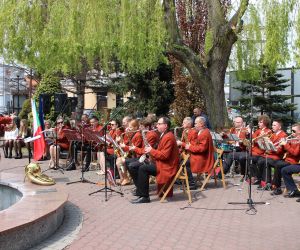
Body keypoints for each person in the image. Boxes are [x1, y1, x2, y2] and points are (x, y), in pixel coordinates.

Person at [130, 117, 179, 204]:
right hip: (162, 164)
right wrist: (152, 151)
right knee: (139, 167)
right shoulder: (165, 135)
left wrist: (151, 150)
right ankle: (141, 193)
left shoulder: (168, 137)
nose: (157, 125)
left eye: (159, 124)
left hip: (167, 167)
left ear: (165, 126)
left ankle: (145, 197)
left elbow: (164, 155)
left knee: (143, 168)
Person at [255, 120, 287, 188]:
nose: (272, 127)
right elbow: (268, 144)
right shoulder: (273, 134)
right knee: (260, 161)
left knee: (265, 161)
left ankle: (266, 182)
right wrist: (263, 140)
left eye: (274, 125)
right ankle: (264, 181)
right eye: (272, 125)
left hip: (277, 157)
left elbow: (279, 151)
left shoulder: (283, 135)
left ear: (280, 127)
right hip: (270, 155)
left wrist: (272, 147)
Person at [271, 123, 300, 196]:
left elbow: (295, 153)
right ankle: (278, 187)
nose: (292, 133)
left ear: (299, 131)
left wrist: (285, 144)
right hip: (287, 160)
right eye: (291, 131)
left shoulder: (298, 140)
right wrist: (281, 145)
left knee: (279, 165)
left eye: (294, 131)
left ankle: (277, 187)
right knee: (277, 163)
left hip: (294, 162)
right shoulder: (292, 139)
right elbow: (286, 150)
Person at [176, 117, 198, 189]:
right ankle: (180, 179)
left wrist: (181, 143)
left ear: (189, 124)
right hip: (186, 153)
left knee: (184, 163)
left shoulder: (194, 132)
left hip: (192, 154)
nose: (182, 124)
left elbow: (193, 146)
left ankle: (191, 183)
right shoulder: (184, 131)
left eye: (184, 123)